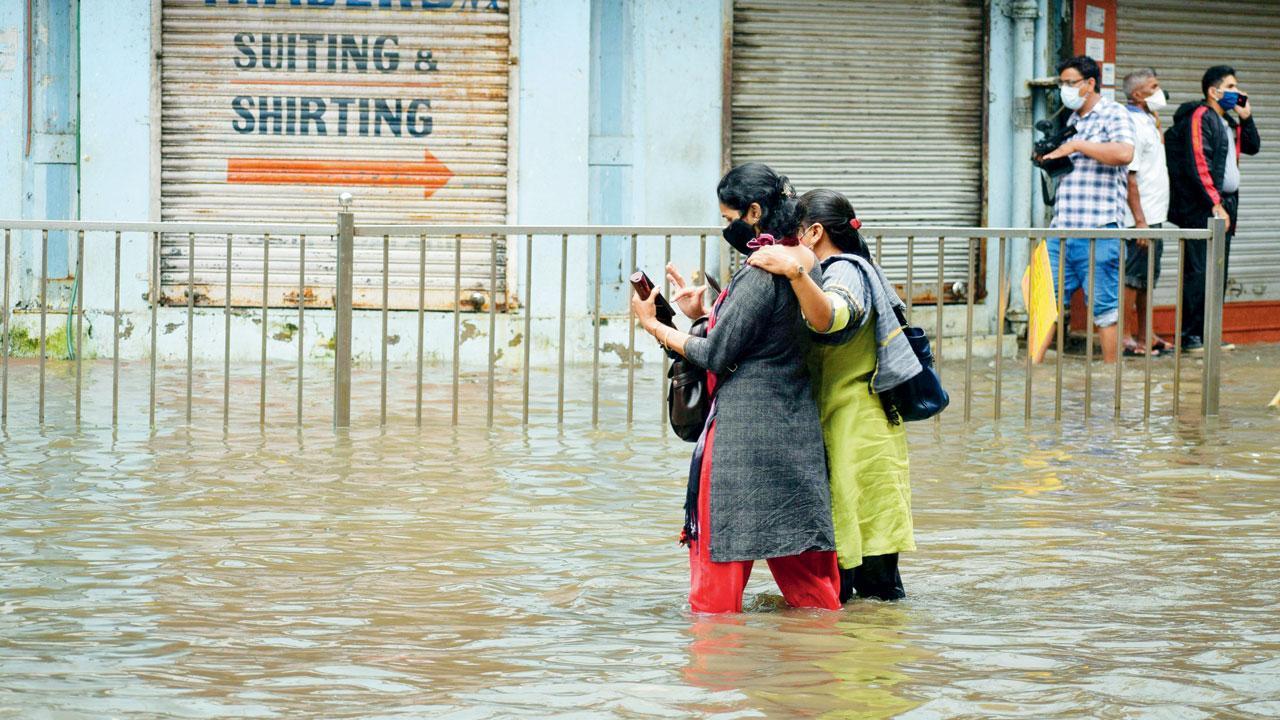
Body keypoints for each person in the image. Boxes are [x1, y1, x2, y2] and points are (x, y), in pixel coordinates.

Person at [631, 163, 841, 614]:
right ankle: (824, 675)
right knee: (811, 592)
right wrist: (699, 316)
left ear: (754, 211)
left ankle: (715, 677)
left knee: (715, 589)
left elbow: (716, 354)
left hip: (744, 441)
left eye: (729, 219)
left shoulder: (762, 269)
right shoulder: (802, 263)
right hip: (795, 433)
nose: (726, 228)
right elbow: (758, 338)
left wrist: (654, 326)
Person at [745, 189, 919, 602]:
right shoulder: (841, 270)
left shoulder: (844, 272)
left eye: (796, 233)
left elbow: (831, 320)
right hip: (848, 426)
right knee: (853, 575)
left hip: (858, 430)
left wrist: (794, 273)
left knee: (873, 584)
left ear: (815, 232)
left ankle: (867, 658)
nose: (789, 243)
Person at [1036, 55, 1135, 364]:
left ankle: (1111, 381)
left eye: (1070, 83)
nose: (1064, 89)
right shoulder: (1070, 120)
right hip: (1061, 228)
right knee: (1043, 305)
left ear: (1090, 83)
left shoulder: (1112, 113)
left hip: (1100, 229)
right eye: (1061, 83)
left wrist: (1078, 146)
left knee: (1105, 311)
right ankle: (1027, 380)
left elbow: (1124, 152)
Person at [1165, 64, 1260, 353]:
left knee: (1217, 270)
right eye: (1231, 87)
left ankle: (1209, 334)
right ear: (1213, 91)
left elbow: (1253, 146)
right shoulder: (1201, 116)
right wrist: (1214, 203)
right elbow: (1198, 161)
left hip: (1225, 204)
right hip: (1203, 205)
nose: (1237, 92)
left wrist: (1247, 117)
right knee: (1199, 271)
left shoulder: (1228, 122)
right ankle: (1191, 337)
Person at [1120, 68, 1174, 357]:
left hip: (1153, 213)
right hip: (1139, 218)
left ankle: (1145, 334)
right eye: (1153, 87)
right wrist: (1139, 221)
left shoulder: (1148, 120)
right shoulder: (1132, 124)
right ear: (1138, 95)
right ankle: (1126, 338)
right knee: (1132, 278)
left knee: (1147, 278)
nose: (1160, 91)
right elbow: (1131, 176)